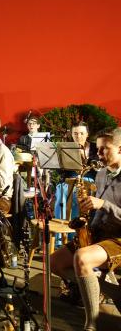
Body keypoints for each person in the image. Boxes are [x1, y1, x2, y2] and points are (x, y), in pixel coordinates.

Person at [50, 127, 121, 331]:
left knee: (82, 258)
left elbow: (104, 206)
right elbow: (97, 209)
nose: (98, 154)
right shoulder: (101, 174)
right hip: (100, 233)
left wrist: (103, 205)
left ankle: (92, 323)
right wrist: (85, 219)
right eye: (97, 149)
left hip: (118, 238)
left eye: (105, 149)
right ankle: (114, 292)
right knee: (54, 263)